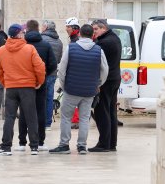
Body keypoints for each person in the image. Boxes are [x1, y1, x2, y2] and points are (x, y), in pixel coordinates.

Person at [50, 24, 108, 155]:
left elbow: (62, 70)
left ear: (80, 34)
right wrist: (98, 84)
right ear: (92, 35)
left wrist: (64, 86)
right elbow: (105, 71)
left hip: (71, 89)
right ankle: (82, 146)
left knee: (66, 117)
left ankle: (64, 145)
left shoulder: (71, 48)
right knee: (84, 118)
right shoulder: (99, 50)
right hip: (89, 91)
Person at [0, 24, 46, 155]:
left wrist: (7, 82)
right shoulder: (29, 49)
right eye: (23, 32)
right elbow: (40, 67)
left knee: (9, 117)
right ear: (19, 34)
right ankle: (34, 146)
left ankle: (5, 146)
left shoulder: (1, 50)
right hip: (27, 87)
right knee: (31, 116)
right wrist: (39, 82)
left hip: (11, 88)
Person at [17, 19, 57, 151]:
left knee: (23, 112)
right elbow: (52, 64)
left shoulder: (22, 45)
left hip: (24, 83)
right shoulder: (45, 45)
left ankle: (22, 142)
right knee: (40, 110)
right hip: (41, 83)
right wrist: (43, 76)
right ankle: (40, 141)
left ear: (27, 29)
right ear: (38, 28)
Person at [89, 18, 122, 152]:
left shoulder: (104, 43)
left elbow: (97, 63)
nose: (94, 32)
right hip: (114, 79)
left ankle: (104, 144)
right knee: (111, 112)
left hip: (106, 81)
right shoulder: (114, 38)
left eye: (96, 29)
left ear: (104, 28)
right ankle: (111, 143)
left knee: (102, 111)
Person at [41, 19, 63, 130]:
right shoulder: (59, 42)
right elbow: (58, 60)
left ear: (45, 27)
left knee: (40, 97)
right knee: (49, 98)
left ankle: (39, 122)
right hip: (53, 73)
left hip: (42, 73)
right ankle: (47, 124)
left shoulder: (42, 39)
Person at [64, 16, 82, 129]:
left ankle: (76, 120)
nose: (66, 29)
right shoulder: (73, 39)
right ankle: (76, 119)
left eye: (68, 27)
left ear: (74, 27)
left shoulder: (76, 40)